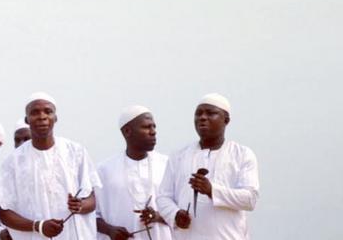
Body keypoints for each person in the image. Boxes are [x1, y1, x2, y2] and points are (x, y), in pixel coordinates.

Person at [0, 92, 101, 239]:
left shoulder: (76, 152)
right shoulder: (13, 162)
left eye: (48, 111)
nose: (42, 116)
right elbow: (5, 214)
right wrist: (38, 226)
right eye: (35, 112)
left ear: (55, 117)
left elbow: (92, 200)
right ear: (27, 120)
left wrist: (80, 205)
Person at [156, 94, 260, 239]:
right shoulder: (178, 156)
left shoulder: (242, 154)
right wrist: (175, 214)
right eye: (198, 114)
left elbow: (250, 199)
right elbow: (163, 197)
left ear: (226, 120)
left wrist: (212, 190)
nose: (202, 118)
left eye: (210, 113)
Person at [95, 106, 172, 240]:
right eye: (146, 127)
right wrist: (110, 230)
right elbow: (92, 215)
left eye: (154, 127)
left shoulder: (167, 165)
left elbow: (183, 214)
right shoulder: (104, 169)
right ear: (127, 131)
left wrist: (158, 216)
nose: (153, 132)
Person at [0, 118, 30, 240]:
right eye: (17, 140)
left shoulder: (56, 171)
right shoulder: (3, 176)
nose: (22, 144)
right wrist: (0, 234)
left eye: (27, 139)